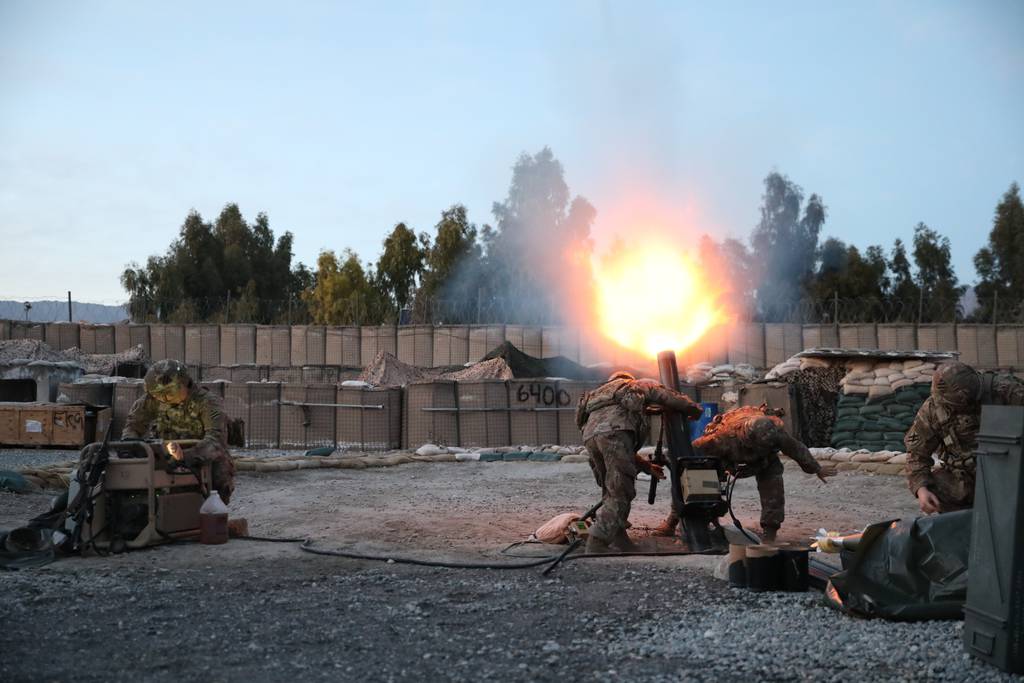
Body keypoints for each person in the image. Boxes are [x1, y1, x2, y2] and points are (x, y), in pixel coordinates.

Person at [652, 405, 835, 542]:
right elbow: (689, 452)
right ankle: (674, 521)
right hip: (726, 460)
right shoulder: (721, 437)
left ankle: (770, 532)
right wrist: (671, 460)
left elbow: (796, 449)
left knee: (773, 484)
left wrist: (816, 468)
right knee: (699, 479)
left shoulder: (776, 434)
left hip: (764, 462)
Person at [576, 371, 703, 554]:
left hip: (590, 438)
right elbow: (665, 395)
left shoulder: (597, 394)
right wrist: (693, 409)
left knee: (610, 490)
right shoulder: (635, 384)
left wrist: (647, 466)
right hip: (616, 432)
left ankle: (620, 540)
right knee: (621, 491)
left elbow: (617, 446)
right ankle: (597, 542)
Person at [905, 361, 1024, 515]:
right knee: (934, 485)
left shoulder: (1007, 391)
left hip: (1011, 471)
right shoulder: (934, 409)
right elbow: (916, 454)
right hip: (967, 478)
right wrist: (921, 490)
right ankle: (966, 528)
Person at [122, 359, 235, 504]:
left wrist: (185, 457)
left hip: (200, 456)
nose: (163, 399)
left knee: (218, 476)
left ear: (184, 384)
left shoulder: (207, 403)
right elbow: (132, 426)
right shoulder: (153, 400)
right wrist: (132, 446)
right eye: (158, 395)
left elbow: (216, 443)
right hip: (165, 455)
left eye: (168, 393)